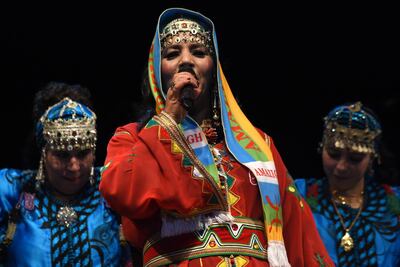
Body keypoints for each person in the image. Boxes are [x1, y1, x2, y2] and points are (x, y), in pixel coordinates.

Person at [99, 8, 334, 267]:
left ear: (214, 70)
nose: (186, 61)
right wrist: (169, 119)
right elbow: (123, 193)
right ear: (157, 70)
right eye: (172, 54)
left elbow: (299, 237)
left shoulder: (257, 147)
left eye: (199, 53)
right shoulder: (133, 138)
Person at [0, 82, 127, 266]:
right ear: (44, 153)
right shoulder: (13, 189)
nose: (74, 166)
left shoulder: (113, 187)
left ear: (93, 151)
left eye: (82, 153)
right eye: (62, 154)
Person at [295, 101, 400, 266]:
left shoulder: (394, 204)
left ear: (371, 158)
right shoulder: (298, 195)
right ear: (322, 148)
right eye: (334, 154)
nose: (342, 166)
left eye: (355, 159)